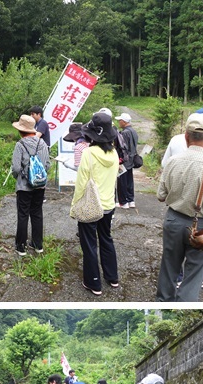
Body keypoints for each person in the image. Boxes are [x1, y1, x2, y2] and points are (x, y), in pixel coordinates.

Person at [155, 113, 203, 302]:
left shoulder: (173, 162)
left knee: (169, 264)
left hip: (173, 220)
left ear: (186, 135)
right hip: (202, 225)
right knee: (194, 271)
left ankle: (163, 300)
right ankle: (184, 303)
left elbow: (160, 196)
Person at [72, 113, 121, 295]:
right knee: (106, 238)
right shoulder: (114, 154)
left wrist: (75, 207)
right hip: (108, 205)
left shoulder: (88, 154)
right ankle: (112, 277)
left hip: (91, 205)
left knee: (89, 243)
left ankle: (94, 282)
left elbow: (81, 184)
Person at [10, 114, 50, 256]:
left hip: (24, 187)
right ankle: (37, 244)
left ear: (21, 131)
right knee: (37, 213)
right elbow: (47, 164)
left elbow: (15, 168)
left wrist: (20, 177)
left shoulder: (20, 145)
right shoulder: (42, 144)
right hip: (40, 185)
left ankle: (21, 247)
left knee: (23, 215)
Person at [116, 113, 139, 209]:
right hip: (132, 159)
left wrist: (119, 159)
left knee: (121, 180)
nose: (118, 122)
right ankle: (131, 200)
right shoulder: (133, 131)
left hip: (124, 160)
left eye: (120, 120)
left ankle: (123, 202)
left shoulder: (124, 133)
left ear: (124, 122)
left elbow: (123, 147)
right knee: (129, 180)